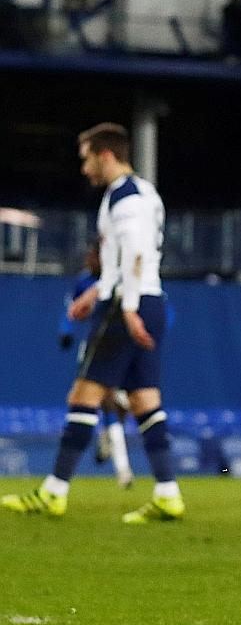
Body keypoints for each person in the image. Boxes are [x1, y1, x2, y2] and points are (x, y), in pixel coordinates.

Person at [4, 123, 183, 522]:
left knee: (83, 396)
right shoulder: (144, 193)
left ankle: (54, 491)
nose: (83, 168)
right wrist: (96, 291)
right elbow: (125, 260)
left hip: (127, 305)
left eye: (86, 158)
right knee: (144, 400)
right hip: (143, 297)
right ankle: (169, 493)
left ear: (105, 155)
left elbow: (134, 253)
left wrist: (127, 306)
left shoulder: (126, 198)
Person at [58, 239, 136, 488]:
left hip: (121, 349)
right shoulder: (84, 281)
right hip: (94, 349)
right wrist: (66, 330)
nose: (89, 259)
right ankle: (123, 470)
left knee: (122, 404)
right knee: (106, 405)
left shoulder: (123, 280)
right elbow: (70, 309)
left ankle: (105, 437)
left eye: (94, 255)